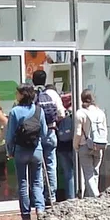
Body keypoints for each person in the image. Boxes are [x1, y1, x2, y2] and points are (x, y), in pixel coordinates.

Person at [6, 84, 46, 220]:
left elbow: (10, 136)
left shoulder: (15, 112)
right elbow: (44, 132)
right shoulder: (39, 110)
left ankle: (26, 217)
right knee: (36, 182)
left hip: (20, 150)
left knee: (23, 183)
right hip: (36, 150)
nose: (16, 95)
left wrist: (10, 151)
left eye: (17, 93)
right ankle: (40, 210)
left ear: (22, 95)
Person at [31, 69, 64, 201]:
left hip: (36, 135)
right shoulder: (52, 94)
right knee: (51, 164)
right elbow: (61, 114)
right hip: (51, 132)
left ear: (33, 80)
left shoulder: (31, 94)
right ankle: (52, 196)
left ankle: (38, 198)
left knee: (37, 166)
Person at [73, 89, 109, 197]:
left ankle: (96, 196)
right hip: (99, 145)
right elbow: (105, 130)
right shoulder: (100, 112)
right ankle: (91, 199)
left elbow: (78, 133)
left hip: (85, 146)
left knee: (88, 174)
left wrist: (76, 146)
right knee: (95, 172)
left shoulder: (80, 113)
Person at [55, 90, 77, 201]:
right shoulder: (76, 112)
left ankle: (70, 198)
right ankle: (79, 195)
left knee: (68, 174)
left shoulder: (60, 113)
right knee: (78, 172)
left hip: (61, 146)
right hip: (73, 146)